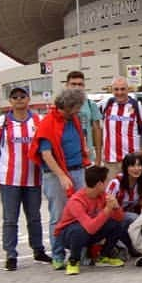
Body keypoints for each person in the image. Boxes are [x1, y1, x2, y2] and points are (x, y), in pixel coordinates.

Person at [0, 86, 49, 270]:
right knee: (10, 219)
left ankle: (38, 250)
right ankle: (11, 254)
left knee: (34, 217)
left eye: (22, 96)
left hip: (33, 179)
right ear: (10, 101)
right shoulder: (2, 122)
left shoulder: (38, 120)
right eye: (15, 97)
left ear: (28, 99)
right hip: (9, 180)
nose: (19, 99)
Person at [29, 89, 90, 270]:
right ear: (69, 106)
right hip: (56, 175)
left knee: (82, 213)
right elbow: (46, 154)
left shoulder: (74, 120)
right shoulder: (48, 122)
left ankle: (81, 254)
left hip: (78, 170)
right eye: (77, 107)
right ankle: (57, 255)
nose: (79, 110)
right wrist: (62, 175)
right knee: (58, 215)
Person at [53, 166, 126, 275]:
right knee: (79, 229)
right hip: (67, 236)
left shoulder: (102, 195)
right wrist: (107, 210)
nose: (107, 184)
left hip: (88, 232)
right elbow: (90, 228)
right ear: (99, 184)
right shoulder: (76, 201)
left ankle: (103, 256)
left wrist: (116, 207)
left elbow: (120, 218)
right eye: (106, 181)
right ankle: (73, 261)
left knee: (116, 225)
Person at [99, 77, 142, 175]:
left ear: (128, 89)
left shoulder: (137, 106)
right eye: (116, 89)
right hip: (111, 161)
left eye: (123, 89)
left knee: (132, 189)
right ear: (112, 90)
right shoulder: (106, 104)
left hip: (131, 160)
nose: (119, 92)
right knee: (112, 189)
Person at [105, 152, 142, 254]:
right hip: (113, 217)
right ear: (125, 167)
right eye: (132, 165)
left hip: (128, 218)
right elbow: (106, 204)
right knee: (134, 218)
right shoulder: (116, 183)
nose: (136, 169)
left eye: (139, 165)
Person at [65, 71, 103, 164]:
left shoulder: (91, 104)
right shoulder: (61, 105)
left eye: (80, 84)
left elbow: (97, 131)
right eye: (73, 84)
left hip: (87, 156)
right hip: (67, 156)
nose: (77, 87)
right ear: (67, 85)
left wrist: (98, 158)